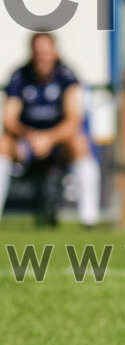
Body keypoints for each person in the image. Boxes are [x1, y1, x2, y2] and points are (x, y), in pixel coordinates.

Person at [0, 32, 101, 226]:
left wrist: (49, 139)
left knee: (80, 143)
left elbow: (73, 120)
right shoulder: (20, 75)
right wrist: (30, 136)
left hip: (58, 144)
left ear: (55, 52)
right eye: (38, 53)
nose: (42, 57)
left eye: (46, 52)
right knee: (2, 144)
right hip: (26, 143)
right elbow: (9, 120)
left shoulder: (67, 76)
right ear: (31, 53)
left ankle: (90, 220)